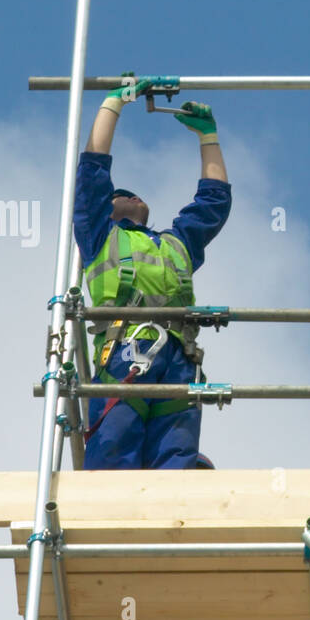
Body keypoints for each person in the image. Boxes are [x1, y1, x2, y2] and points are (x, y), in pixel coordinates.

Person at [72, 75, 232, 468]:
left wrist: (207, 137)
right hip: (125, 353)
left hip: (178, 361)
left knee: (175, 462)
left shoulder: (175, 243)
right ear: (109, 208)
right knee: (114, 451)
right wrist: (113, 105)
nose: (134, 196)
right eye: (123, 194)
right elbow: (93, 170)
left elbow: (213, 204)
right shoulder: (101, 238)